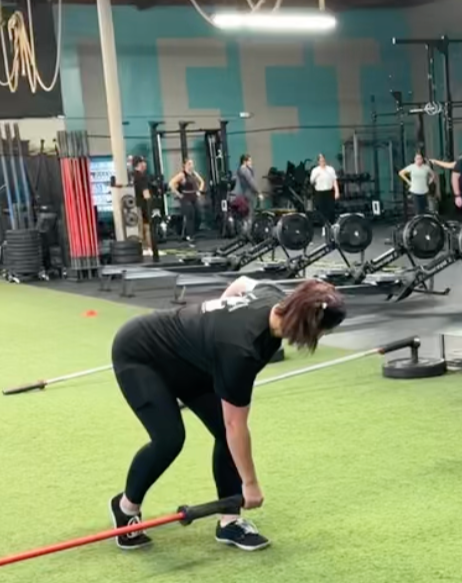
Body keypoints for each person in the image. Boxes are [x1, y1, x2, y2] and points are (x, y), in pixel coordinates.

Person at [108, 278, 347, 552]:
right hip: (141, 352)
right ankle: (126, 508)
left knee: (223, 433)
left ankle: (229, 521)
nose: (322, 338)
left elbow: (241, 283)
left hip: (190, 359)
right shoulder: (241, 350)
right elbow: (236, 425)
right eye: (323, 331)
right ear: (310, 325)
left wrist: (215, 329)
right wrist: (251, 484)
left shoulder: (273, 295)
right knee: (169, 439)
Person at [168, 159, 205, 244]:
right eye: (189, 164)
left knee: (199, 215)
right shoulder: (182, 175)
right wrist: (178, 194)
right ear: (184, 165)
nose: (191, 165)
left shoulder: (194, 173)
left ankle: (193, 232)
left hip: (194, 196)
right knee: (190, 215)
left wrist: (199, 190)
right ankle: (190, 235)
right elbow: (171, 183)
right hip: (185, 198)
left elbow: (202, 182)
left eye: (192, 164)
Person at [310, 154, 340, 226]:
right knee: (321, 210)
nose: (322, 161)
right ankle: (324, 226)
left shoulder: (330, 169)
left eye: (323, 160)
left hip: (329, 192)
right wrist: (315, 176)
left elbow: (334, 180)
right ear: (318, 162)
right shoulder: (315, 170)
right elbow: (311, 181)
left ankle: (331, 226)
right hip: (320, 193)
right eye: (321, 160)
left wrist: (337, 191)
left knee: (331, 210)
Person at [131, 156, 153, 256]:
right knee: (146, 227)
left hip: (135, 205)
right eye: (144, 162)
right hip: (142, 205)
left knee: (141, 227)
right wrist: (151, 203)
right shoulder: (141, 177)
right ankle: (148, 248)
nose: (145, 164)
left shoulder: (132, 175)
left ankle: (145, 248)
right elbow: (145, 193)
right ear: (140, 164)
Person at [234, 154, 262, 219]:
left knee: (247, 211)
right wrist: (259, 192)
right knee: (250, 212)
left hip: (244, 192)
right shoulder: (244, 170)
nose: (251, 162)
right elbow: (251, 181)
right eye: (249, 161)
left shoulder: (240, 169)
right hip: (248, 193)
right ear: (244, 161)